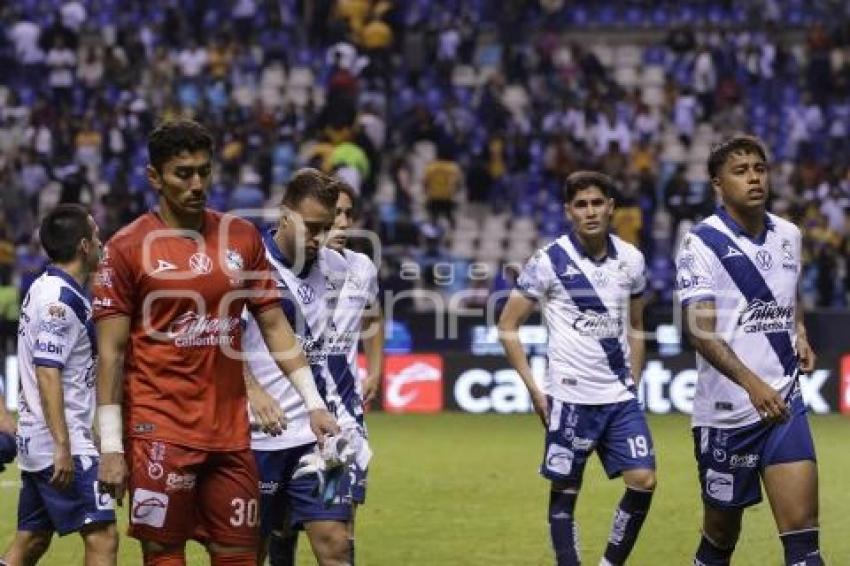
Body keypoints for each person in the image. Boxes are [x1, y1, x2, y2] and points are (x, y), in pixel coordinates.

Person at [92, 120, 338, 566]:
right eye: (182, 173)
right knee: (165, 554)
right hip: (160, 431)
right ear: (154, 177)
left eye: (204, 171)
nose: (196, 184)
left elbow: (275, 326)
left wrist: (313, 402)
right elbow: (110, 352)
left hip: (230, 436)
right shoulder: (125, 248)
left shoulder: (241, 238)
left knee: (240, 554)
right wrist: (111, 445)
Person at [675, 135, 823, 566]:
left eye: (759, 168)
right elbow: (700, 333)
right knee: (720, 538)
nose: (754, 178)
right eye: (740, 172)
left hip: (784, 402)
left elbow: (790, 295)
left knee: (803, 539)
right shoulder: (700, 243)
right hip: (727, 414)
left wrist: (800, 331)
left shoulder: (790, 235)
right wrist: (752, 384)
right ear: (717, 183)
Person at [498, 171, 656, 566]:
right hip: (569, 397)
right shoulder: (549, 261)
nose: (590, 211)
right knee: (566, 491)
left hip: (619, 397)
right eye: (581, 204)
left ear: (611, 208)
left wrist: (633, 382)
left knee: (644, 481)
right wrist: (536, 390)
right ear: (569, 211)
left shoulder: (632, 260)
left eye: (597, 203)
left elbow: (637, 326)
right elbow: (507, 326)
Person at [242, 169, 365, 566]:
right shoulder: (250, 265)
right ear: (285, 215)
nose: (318, 239)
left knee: (337, 542)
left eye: (326, 228)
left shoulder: (337, 267)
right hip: (259, 440)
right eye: (311, 228)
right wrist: (252, 389)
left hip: (319, 438)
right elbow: (220, 337)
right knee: (252, 549)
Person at [2, 204, 118, 566]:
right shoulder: (60, 300)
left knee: (32, 541)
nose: (102, 243)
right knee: (103, 538)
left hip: (44, 437)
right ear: (84, 245)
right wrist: (65, 445)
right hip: (57, 442)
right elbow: (47, 371)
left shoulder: (45, 286)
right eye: (97, 235)